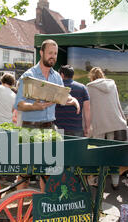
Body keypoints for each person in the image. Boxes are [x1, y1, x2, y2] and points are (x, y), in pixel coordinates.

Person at [14, 39, 80, 191]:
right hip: (29, 130)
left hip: (50, 128)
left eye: (55, 54)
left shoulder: (57, 77)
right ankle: (19, 208)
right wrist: (34, 106)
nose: (53, 57)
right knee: (24, 173)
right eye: (50, 53)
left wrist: (73, 100)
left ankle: (44, 206)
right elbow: (19, 104)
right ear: (41, 53)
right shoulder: (28, 75)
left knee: (49, 173)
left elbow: (62, 96)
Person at [86, 66, 127, 189]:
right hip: (114, 122)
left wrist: (88, 126)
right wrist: (123, 119)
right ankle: (115, 182)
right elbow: (117, 103)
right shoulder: (112, 85)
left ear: (91, 77)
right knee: (113, 154)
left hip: (99, 124)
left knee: (97, 154)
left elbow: (89, 108)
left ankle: (95, 180)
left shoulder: (89, 87)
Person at [55, 65, 90, 137]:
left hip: (58, 128)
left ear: (62, 74)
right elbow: (87, 110)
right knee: (76, 148)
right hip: (76, 128)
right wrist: (87, 127)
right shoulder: (82, 88)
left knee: (58, 148)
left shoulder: (56, 88)